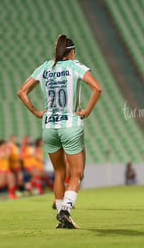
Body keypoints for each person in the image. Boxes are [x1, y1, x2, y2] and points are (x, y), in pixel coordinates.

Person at [18, 34, 102, 229]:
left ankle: (60, 216)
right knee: (77, 173)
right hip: (70, 124)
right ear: (71, 52)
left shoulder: (45, 67)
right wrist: (87, 111)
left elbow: (22, 91)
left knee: (58, 172)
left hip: (48, 126)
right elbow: (97, 88)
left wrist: (37, 112)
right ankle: (66, 209)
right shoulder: (75, 66)